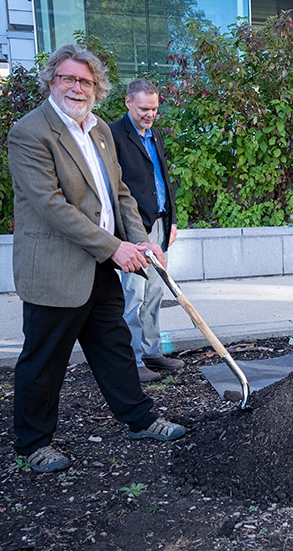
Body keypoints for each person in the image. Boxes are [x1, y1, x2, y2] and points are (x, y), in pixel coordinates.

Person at [7, 44, 186, 474]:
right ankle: (32, 443)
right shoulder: (31, 132)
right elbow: (52, 207)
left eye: (85, 81)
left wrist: (140, 242)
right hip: (56, 269)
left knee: (113, 347)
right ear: (52, 81)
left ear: (97, 88)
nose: (77, 87)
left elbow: (119, 195)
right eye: (68, 78)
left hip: (99, 267)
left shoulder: (100, 131)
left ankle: (139, 419)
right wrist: (115, 248)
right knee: (44, 359)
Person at [110, 78, 183, 383]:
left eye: (154, 108)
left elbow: (163, 181)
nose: (149, 114)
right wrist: (126, 233)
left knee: (154, 293)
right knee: (134, 296)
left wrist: (173, 219)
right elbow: (114, 187)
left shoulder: (155, 135)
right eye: (143, 108)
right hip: (133, 229)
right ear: (128, 102)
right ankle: (132, 361)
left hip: (160, 225)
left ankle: (152, 353)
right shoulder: (113, 135)